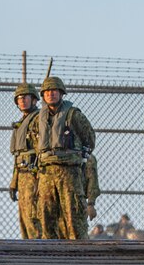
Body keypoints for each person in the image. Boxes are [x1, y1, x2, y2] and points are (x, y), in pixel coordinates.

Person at [34, 76, 96, 239]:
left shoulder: (73, 115)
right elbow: (36, 141)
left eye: (54, 91)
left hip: (69, 172)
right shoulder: (39, 118)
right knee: (47, 219)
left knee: (74, 217)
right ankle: (49, 257)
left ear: (61, 93)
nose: (50, 94)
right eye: (47, 92)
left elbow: (89, 138)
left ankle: (80, 256)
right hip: (46, 173)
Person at [9, 82, 42, 239]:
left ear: (34, 100)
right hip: (22, 176)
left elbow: (41, 151)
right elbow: (18, 156)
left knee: (33, 217)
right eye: (19, 98)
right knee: (24, 219)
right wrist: (13, 183)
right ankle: (29, 249)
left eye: (25, 97)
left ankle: (38, 253)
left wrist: (38, 177)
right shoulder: (22, 123)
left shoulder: (38, 120)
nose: (22, 101)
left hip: (33, 176)